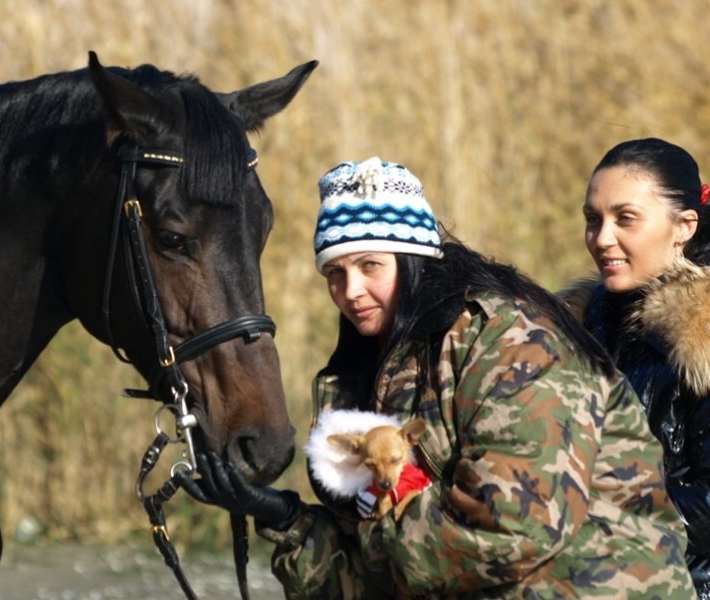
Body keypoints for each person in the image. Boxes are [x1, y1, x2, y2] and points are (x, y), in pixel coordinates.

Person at [178, 157, 693, 598]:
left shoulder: (512, 342)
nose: (351, 290)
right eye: (334, 273)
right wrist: (281, 519)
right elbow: (385, 579)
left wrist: (373, 526)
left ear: (413, 260)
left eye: (370, 266)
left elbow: (510, 531)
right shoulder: (380, 362)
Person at [559, 137, 710, 598]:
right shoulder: (569, 330)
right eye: (592, 219)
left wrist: (592, 525)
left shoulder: (699, 339)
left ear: (684, 225)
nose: (602, 238)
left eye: (625, 218)